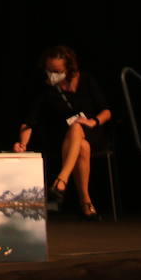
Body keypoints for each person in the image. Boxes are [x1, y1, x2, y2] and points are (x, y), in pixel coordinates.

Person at [13, 45, 112, 220]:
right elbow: (29, 122)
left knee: (78, 128)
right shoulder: (46, 89)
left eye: (57, 70)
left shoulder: (86, 80)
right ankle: (85, 202)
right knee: (81, 145)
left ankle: (61, 180)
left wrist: (92, 121)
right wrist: (23, 143)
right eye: (49, 70)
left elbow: (106, 111)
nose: (52, 74)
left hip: (92, 131)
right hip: (64, 140)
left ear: (68, 68)